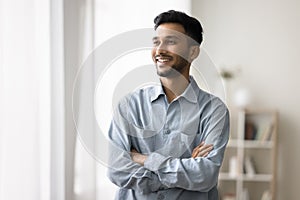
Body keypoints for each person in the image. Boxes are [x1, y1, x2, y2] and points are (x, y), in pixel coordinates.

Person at [107, 10, 230, 200]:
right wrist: (186, 169)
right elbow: (117, 169)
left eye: (171, 41)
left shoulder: (214, 111)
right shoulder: (130, 105)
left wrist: (143, 159)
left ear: (193, 52)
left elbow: (206, 176)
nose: (160, 50)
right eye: (156, 42)